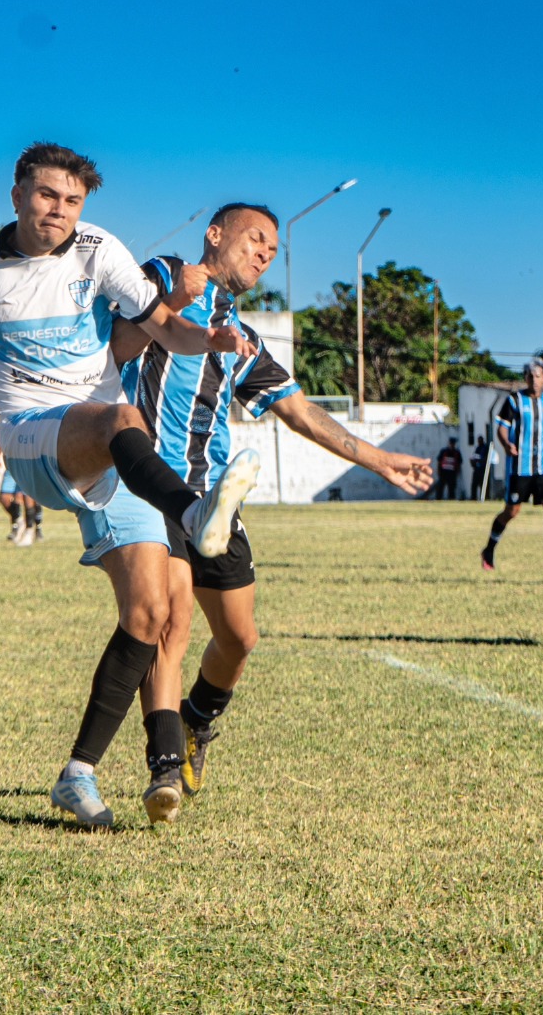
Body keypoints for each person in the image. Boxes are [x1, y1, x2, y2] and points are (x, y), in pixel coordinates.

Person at [0, 142, 260, 828]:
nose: (59, 210)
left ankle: (80, 773)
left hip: (115, 453)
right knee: (123, 415)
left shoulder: (99, 250)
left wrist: (209, 341)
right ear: (17, 195)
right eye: (46, 195)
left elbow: (161, 325)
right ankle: (193, 511)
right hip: (33, 438)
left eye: (72, 200)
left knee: (150, 614)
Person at [114, 205, 433, 813]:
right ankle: (164, 769)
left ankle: (197, 721)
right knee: (172, 623)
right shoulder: (160, 277)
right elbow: (115, 347)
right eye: (255, 238)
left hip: (214, 496)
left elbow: (301, 411)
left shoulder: (244, 340)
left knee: (239, 639)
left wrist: (381, 461)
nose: (264, 253)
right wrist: (174, 301)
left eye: (272, 249)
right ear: (214, 234)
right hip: (151, 488)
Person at [481, 359, 543, 573]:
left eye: (538, 376)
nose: (534, 380)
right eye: (530, 376)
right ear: (525, 378)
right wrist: (507, 444)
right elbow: (502, 427)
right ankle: (488, 550)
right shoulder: (514, 400)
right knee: (512, 511)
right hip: (520, 467)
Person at [0, 447, 43, 546]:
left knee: (27, 496)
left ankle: (29, 530)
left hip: (28, 465)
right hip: (11, 466)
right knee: (4, 498)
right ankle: (19, 521)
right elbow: (1, 441)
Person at [470, 437, 490, 501]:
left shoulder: (485, 448)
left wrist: (480, 460)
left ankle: (484, 498)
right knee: (474, 484)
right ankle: (473, 498)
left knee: (483, 484)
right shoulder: (477, 448)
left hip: (483, 469)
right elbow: (474, 456)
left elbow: (486, 458)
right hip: (476, 469)